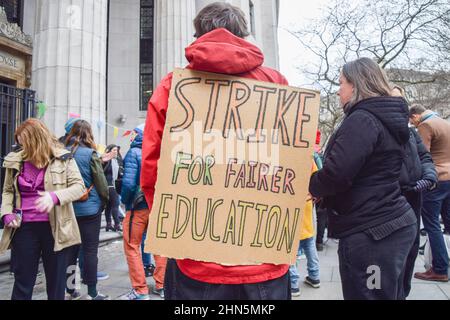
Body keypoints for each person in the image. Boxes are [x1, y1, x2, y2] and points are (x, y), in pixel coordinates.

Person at [141, 2, 291, 300]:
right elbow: (292, 161)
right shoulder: (275, 83)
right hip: (263, 257)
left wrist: (173, 219)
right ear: (243, 33)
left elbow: (152, 165)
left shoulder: (173, 86)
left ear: (198, 33)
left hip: (195, 259)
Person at [309, 57, 417, 300]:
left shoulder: (363, 119)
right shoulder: (385, 118)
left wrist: (312, 186)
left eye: (341, 84)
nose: (338, 91)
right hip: (391, 225)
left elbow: (337, 173)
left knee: (371, 295)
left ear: (356, 85)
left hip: (373, 238)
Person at [0, 119, 85, 300]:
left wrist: (54, 197)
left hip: (56, 229)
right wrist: (6, 213)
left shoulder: (64, 158)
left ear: (37, 140)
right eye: (19, 142)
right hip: (24, 229)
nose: (22, 147)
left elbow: (79, 187)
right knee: (23, 281)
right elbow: (7, 191)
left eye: (25, 142)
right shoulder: (15, 160)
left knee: (56, 283)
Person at [391, 87, 438, 297]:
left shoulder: (412, 133)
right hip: (390, 208)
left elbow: (425, 157)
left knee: (409, 257)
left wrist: (429, 176)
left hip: (412, 203)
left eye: (400, 99)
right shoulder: (375, 129)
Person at [64, 120, 110, 300]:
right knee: (90, 251)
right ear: (88, 133)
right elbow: (102, 184)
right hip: (90, 210)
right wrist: (102, 203)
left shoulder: (62, 153)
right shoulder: (90, 154)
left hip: (68, 209)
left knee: (70, 252)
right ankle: (92, 292)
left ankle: (70, 289)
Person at [121, 124, 163, 300]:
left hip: (138, 207)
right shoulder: (160, 151)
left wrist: (124, 201)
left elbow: (129, 184)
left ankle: (140, 290)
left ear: (138, 135)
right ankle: (162, 285)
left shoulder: (134, 153)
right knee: (160, 247)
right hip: (156, 206)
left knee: (132, 246)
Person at [410, 104, 450, 282]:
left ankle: (440, 268)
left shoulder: (426, 126)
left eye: (411, 120)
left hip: (436, 179)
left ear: (416, 116)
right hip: (449, 178)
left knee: (432, 224)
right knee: (447, 224)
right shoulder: (445, 123)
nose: (413, 124)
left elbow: (422, 155)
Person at [290, 161, 321, 297]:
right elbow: (316, 177)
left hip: (290, 204)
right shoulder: (308, 157)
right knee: (309, 242)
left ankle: (293, 284)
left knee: (290, 247)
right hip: (306, 202)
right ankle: (314, 276)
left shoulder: (286, 153)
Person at [102, 144, 123, 232]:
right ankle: (117, 225)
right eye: (114, 150)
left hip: (112, 185)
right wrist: (106, 160)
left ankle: (108, 224)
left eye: (116, 150)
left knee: (109, 206)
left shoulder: (115, 160)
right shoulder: (106, 160)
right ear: (109, 151)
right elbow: (102, 172)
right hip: (109, 186)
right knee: (116, 204)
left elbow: (118, 174)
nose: (116, 151)